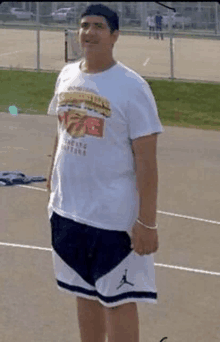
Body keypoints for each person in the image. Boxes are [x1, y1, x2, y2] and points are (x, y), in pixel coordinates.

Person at [47, 4, 163, 342]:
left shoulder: (132, 87)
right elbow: (61, 129)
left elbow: (147, 161)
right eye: (84, 25)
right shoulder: (67, 75)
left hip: (112, 218)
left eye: (98, 26)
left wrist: (147, 222)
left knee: (119, 301)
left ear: (114, 35)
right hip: (68, 211)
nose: (89, 32)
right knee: (83, 293)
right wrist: (50, 176)